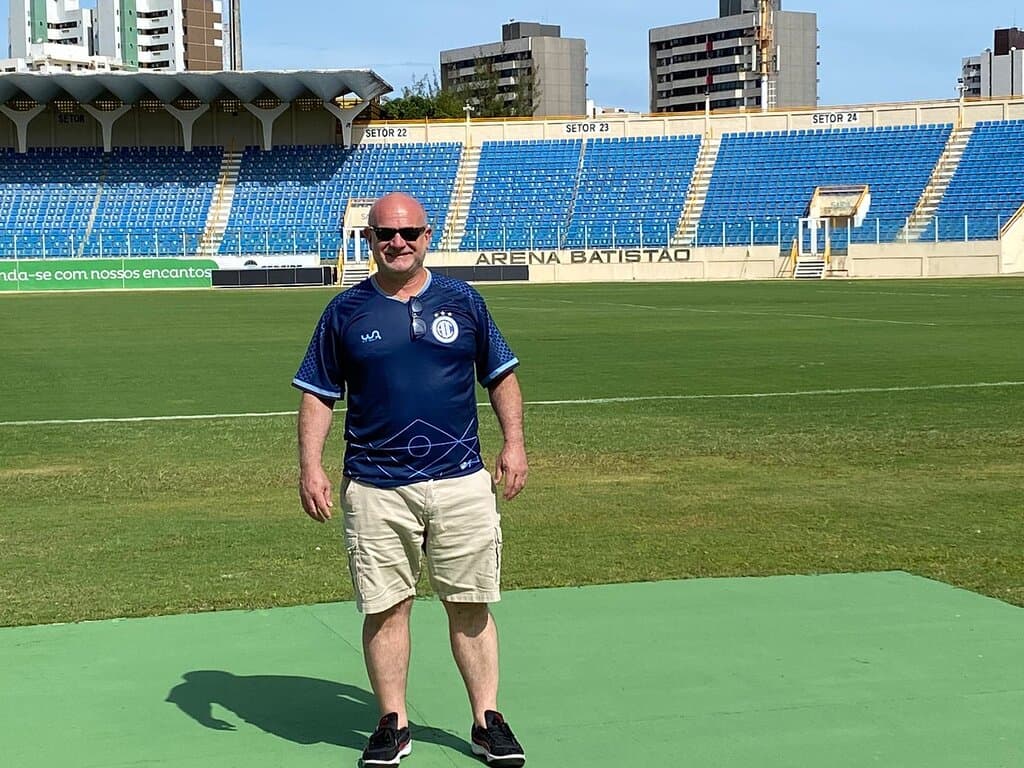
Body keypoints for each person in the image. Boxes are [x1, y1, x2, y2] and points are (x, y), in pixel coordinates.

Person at [293, 191, 528, 767]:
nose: (398, 242)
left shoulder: (464, 301)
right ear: (369, 239)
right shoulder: (344, 311)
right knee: (386, 606)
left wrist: (515, 444)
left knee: (469, 603)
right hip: (375, 485)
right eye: (385, 234)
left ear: (428, 236)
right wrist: (309, 465)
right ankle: (392, 724)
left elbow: (500, 375)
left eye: (410, 233)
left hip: (461, 481)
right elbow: (318, 394)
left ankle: (486, 720)